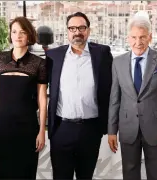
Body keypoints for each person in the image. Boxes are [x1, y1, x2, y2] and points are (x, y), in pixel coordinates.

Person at [108, 15, 157, 180]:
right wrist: (111, 130)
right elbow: (114, 99)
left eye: (142, 37)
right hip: (128, 128)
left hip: (156, 129)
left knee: (156, 174)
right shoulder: (118, 62)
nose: (138, 42)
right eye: (134, 37)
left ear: (150, 37)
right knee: (129, 173)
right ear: (128, 38)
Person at [46, 12, 113, 179]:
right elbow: (39, 87)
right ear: (67, 31)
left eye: (82, 27)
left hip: (90, 129)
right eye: (72, 28)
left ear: (88, 30)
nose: (77, 32)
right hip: (61, 129)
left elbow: (113, 88)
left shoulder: (102, 54)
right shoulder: (53, 56)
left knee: (86, 176)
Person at [0, 16, 48, 179]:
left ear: (29, 36)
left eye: (22, 32)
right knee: (5, 172)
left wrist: (41, 131)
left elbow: (42, 98)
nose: (18, 36)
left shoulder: (38, 63)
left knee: (27, 172)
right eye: (14, 32)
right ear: (10, 35)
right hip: (3, 126)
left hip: (28, 127)